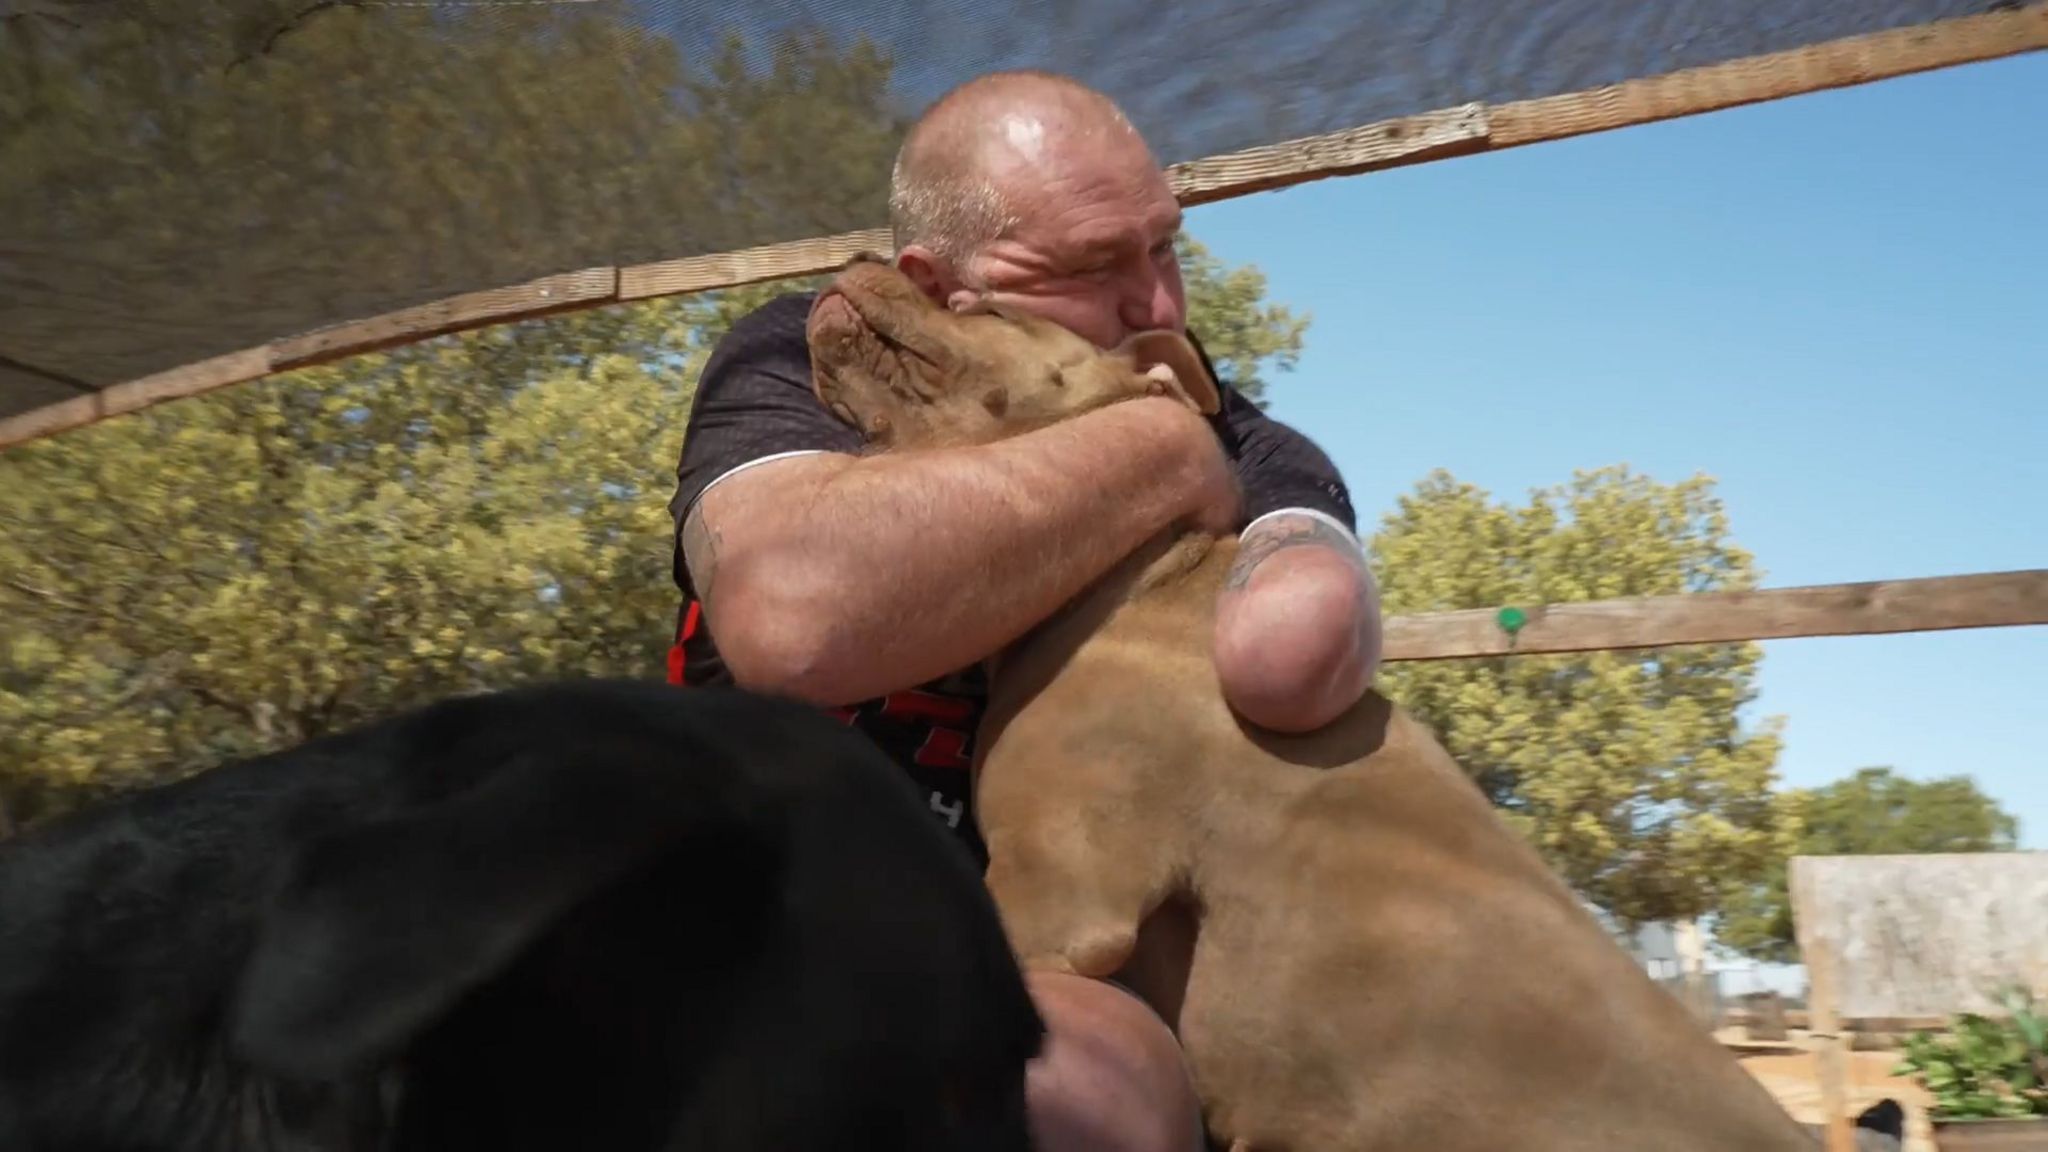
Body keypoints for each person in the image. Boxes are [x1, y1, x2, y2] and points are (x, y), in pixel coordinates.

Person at [663, 69, 1383, 1152]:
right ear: (935, 285)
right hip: (738, 929)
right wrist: (1160, 448)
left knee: (1076, 1086)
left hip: (1058, 968)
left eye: (1164, 247)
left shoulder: (1259, 453)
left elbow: (1293, 644)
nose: (1160, 309)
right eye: (1092, 267)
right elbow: (794, 619)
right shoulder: (830, 354)